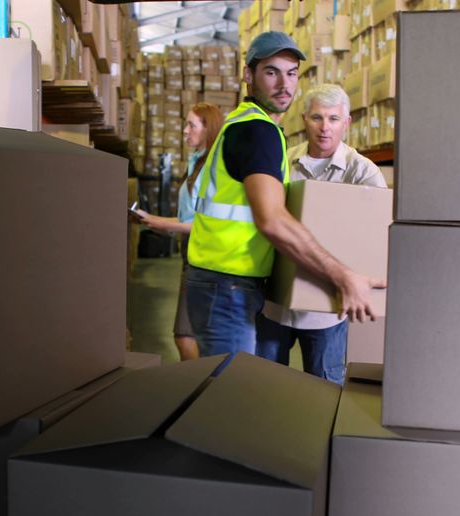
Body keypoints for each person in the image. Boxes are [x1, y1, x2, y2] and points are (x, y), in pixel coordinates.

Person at [184, 31, 385, 358]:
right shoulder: (258, 131)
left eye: (291, 73)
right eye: (271, 72)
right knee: (229, 396)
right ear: (248, 75)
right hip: (226, 286)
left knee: (229, 390)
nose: (284, 84)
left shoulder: (246, 123)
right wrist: (343, 275)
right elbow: (273, 220)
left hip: (222, 282)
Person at [255, 83, 388, 384]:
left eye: (333, 119)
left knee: (324, 389)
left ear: (346, 123)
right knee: (262, 385)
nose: (324, 128)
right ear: (304, 120)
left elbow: (375, 238)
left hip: (327, 308)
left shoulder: (362, 172)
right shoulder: (284, 162)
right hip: (275, 301)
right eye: (317, 118)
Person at [134, 103, 224, 361]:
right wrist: (152, 219)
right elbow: (188, 217)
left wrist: (163, 225)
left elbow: (207, 223)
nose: (185, 131)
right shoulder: (196, 163)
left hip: (205, 259)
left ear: (208, 129)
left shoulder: (212, 170)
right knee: (190, 336)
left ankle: (201, 392)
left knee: (185, 336)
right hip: (190, 254)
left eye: (191, 125)